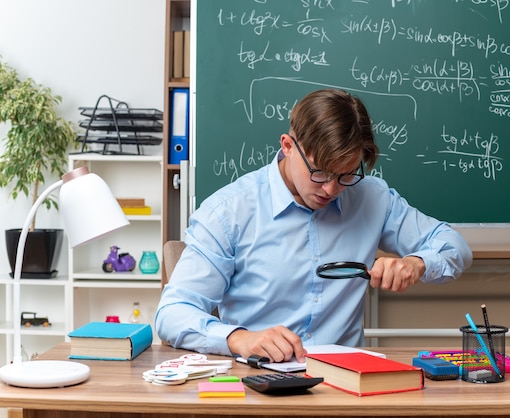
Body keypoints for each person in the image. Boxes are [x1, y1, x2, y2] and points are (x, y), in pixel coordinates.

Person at [156, 89, 472, 364]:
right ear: (288, 146)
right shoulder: (228, 213)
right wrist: (239, 339)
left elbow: (453, 245)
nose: (332, 189)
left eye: (346, 174)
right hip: (259, 384)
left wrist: (416, 263)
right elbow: (173, 312)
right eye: (320, 173)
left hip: (345, 387)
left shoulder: (371, 198)